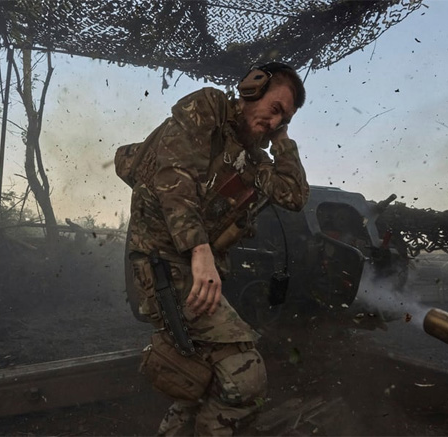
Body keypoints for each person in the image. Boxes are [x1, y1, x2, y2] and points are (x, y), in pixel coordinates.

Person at [117, 62, 309, 436]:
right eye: (274, 109)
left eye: (283, 119)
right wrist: (200, 249)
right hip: (161, 266)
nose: (273, 121)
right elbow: (174, 176)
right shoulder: (208, 108)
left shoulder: (254, 161)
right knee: (245, 379)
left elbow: (295, 196)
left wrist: (283, 138)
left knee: (197, 381)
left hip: (193, 273)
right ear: (252, 88)